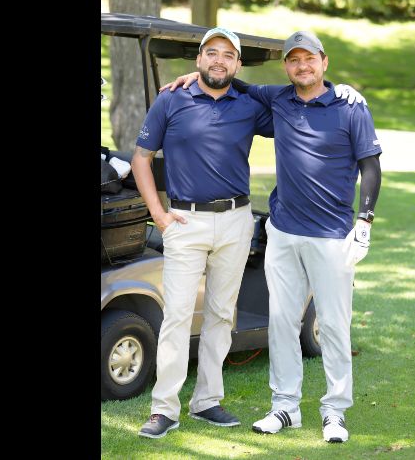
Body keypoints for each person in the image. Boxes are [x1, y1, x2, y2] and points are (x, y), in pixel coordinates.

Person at [132, 26, 366, 439]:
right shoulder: (171, 98)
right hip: (184, 222)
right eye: (211, 53)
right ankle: (163, 409)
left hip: (237, 221)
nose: (218, 60)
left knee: (222, 314)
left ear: (238, 65)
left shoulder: (251, 104)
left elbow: (307, 98)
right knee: (178, 316)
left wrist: (344, 90)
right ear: (198, 59)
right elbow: (141, 158)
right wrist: (159, 214)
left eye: (228, 55)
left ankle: (207, 401)